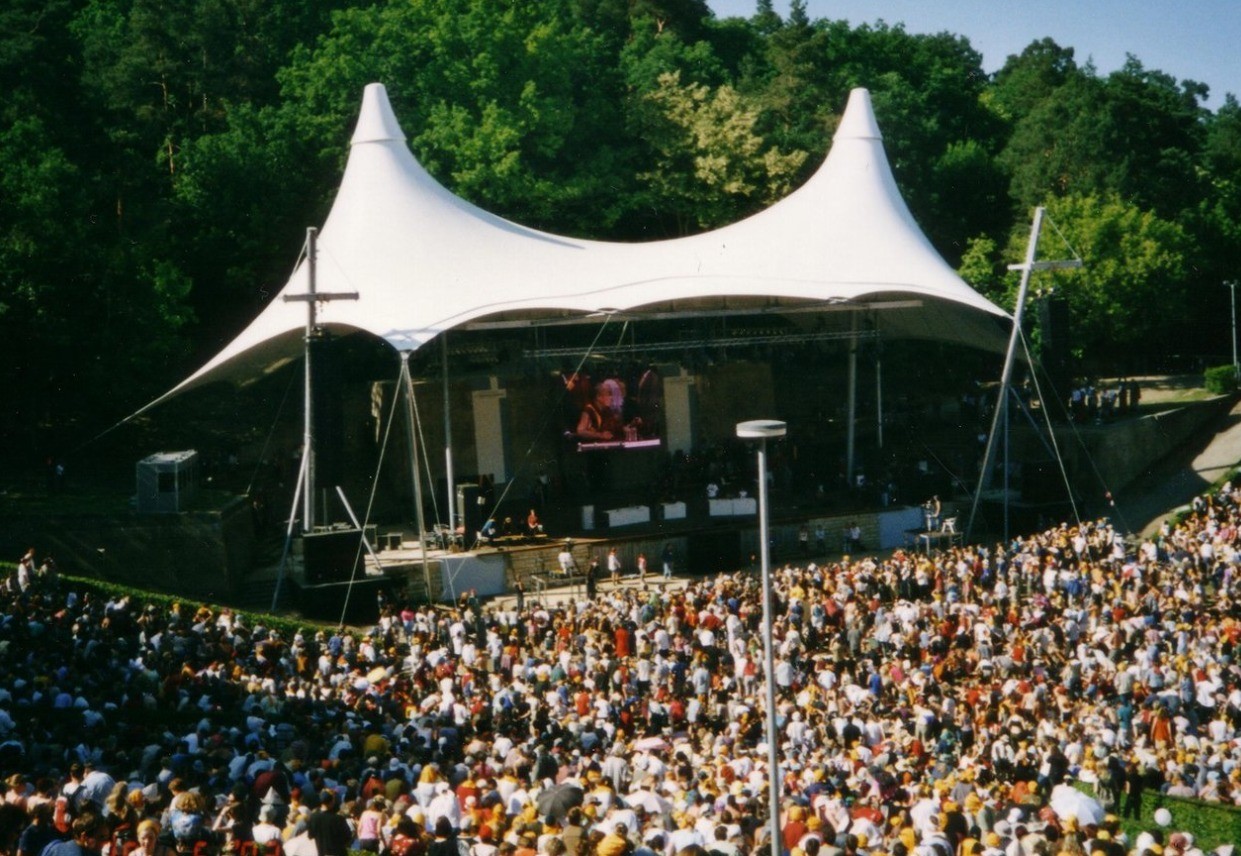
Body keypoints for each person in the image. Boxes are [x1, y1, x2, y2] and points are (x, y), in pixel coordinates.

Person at [576, 378, 631, 442]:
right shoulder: (589, 410)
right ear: (599, 397)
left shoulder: (607, 410)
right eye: (609, 394)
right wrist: (600, 435)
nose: (612, 398)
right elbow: (580, 431)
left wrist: (625, 429)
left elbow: (615, 427)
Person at [307, 790, 352, 856]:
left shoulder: (313, 817)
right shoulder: (338, 819)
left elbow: (310, 835)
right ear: (332, 801)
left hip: (321, 852)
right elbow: (347, 837)